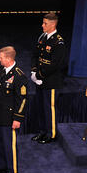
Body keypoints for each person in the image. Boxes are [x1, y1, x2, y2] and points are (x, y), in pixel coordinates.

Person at [0, 46, 28, 173]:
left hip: (10, 118)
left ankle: (12, 171)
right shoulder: (1, 71)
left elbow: (22, 100)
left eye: (1, 57)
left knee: (9, 145)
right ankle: (1, 166)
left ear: (9, 59)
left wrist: (17, 118)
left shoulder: (19, 76)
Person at [30, 13, 66, 144]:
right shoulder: (42, 37)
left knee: (49, 108)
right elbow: (35, 55)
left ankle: (52, 134)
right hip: (39, 80)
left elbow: (55, 65)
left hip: (51, 82)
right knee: (40, 107)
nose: (42, 25)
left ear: (53, 24)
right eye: (43, 22)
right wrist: (34, 71)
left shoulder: (58, 41)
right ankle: (42, 132)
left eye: (45, 23)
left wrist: (39, 75)